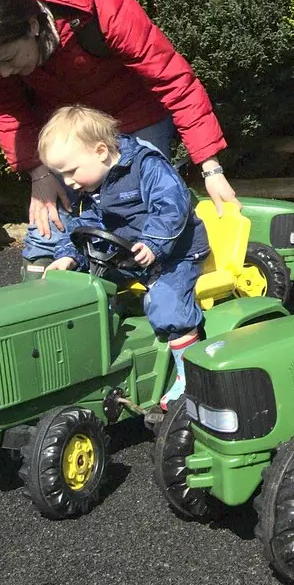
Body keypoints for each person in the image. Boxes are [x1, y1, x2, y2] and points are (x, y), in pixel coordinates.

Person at [0, 0, 236, 275]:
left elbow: (171, 77)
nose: (4, 72)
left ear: (32, 25)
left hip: (133, 113)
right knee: (50, 226)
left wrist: (210, 167)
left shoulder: (99, 0)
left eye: (9, 59)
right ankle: (45, 287)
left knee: (134, 208)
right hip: (66, 129)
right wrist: (38, 172)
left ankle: (167, 282)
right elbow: (2, 109)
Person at [37, 105, 209, 409]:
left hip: (175, 254)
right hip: (129, 254)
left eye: (70, 171)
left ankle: (189, 378)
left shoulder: (147, 166)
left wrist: (153, 243)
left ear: (101, 151)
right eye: (59, 175)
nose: (67, 183)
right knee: (84, 287)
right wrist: (68, 256)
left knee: (166, 305)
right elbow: (83, 224)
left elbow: (172, 206)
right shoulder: (92, 183)